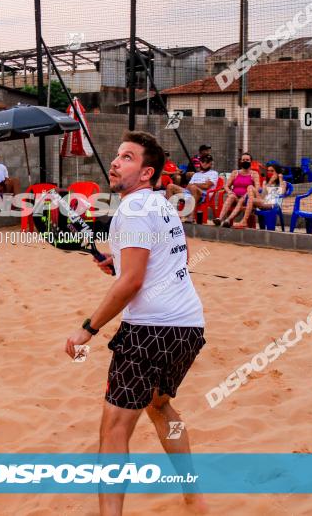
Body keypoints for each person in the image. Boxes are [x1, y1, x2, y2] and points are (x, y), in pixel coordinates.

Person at [65, 131, 207, 516]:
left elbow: (132, 284)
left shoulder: (131, 209)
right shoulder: (162, 205)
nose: (115, 161)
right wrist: (121, 260)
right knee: (160, 407)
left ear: (146, 172)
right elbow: (175, 254)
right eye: (117, 154)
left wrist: (88, 328)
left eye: (127, 157)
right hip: (189, 327)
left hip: (150, 330)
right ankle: (193, 496)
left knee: (113, 429)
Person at [231, 162, 288, 229]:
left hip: (274, 203)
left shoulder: (283, 182)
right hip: (263, 201)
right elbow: (263, 195)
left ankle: (245, 218)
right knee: (250, 187)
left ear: (277, 172)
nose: (270, 172)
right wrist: (269, 183)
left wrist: (280, 179)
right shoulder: (265, 182)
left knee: (250, 200)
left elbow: (282, 193)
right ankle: (249, 211)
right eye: (268, 171)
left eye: (272, 171)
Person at [165, 154, 219, 223]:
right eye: (203, 161)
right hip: (190, 192)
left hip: (204, 195)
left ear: (210, 163)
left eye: (208, 162)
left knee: (193, 187)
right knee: (170, 186)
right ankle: (172, 214)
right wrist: (193, 186)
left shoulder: (213, 173)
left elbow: (206, 186)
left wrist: (194, 185)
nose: (205, 163)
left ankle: (191, 216)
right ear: (201, 162)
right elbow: (188, 187)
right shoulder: (196, 174)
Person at [213, 152, 261, 227]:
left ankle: (228, 220)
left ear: (251, 161)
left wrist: (247, 195)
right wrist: (229, 192)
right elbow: (226, 186)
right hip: (235, 197)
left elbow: (257, 187)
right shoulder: (235, 173)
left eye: (247, 160)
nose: (245, 161)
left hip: (247, 199)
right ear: (240, 161)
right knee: (231, 196)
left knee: (241, 200)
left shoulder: (254, 174)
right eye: (243, 160)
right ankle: (219, 218)